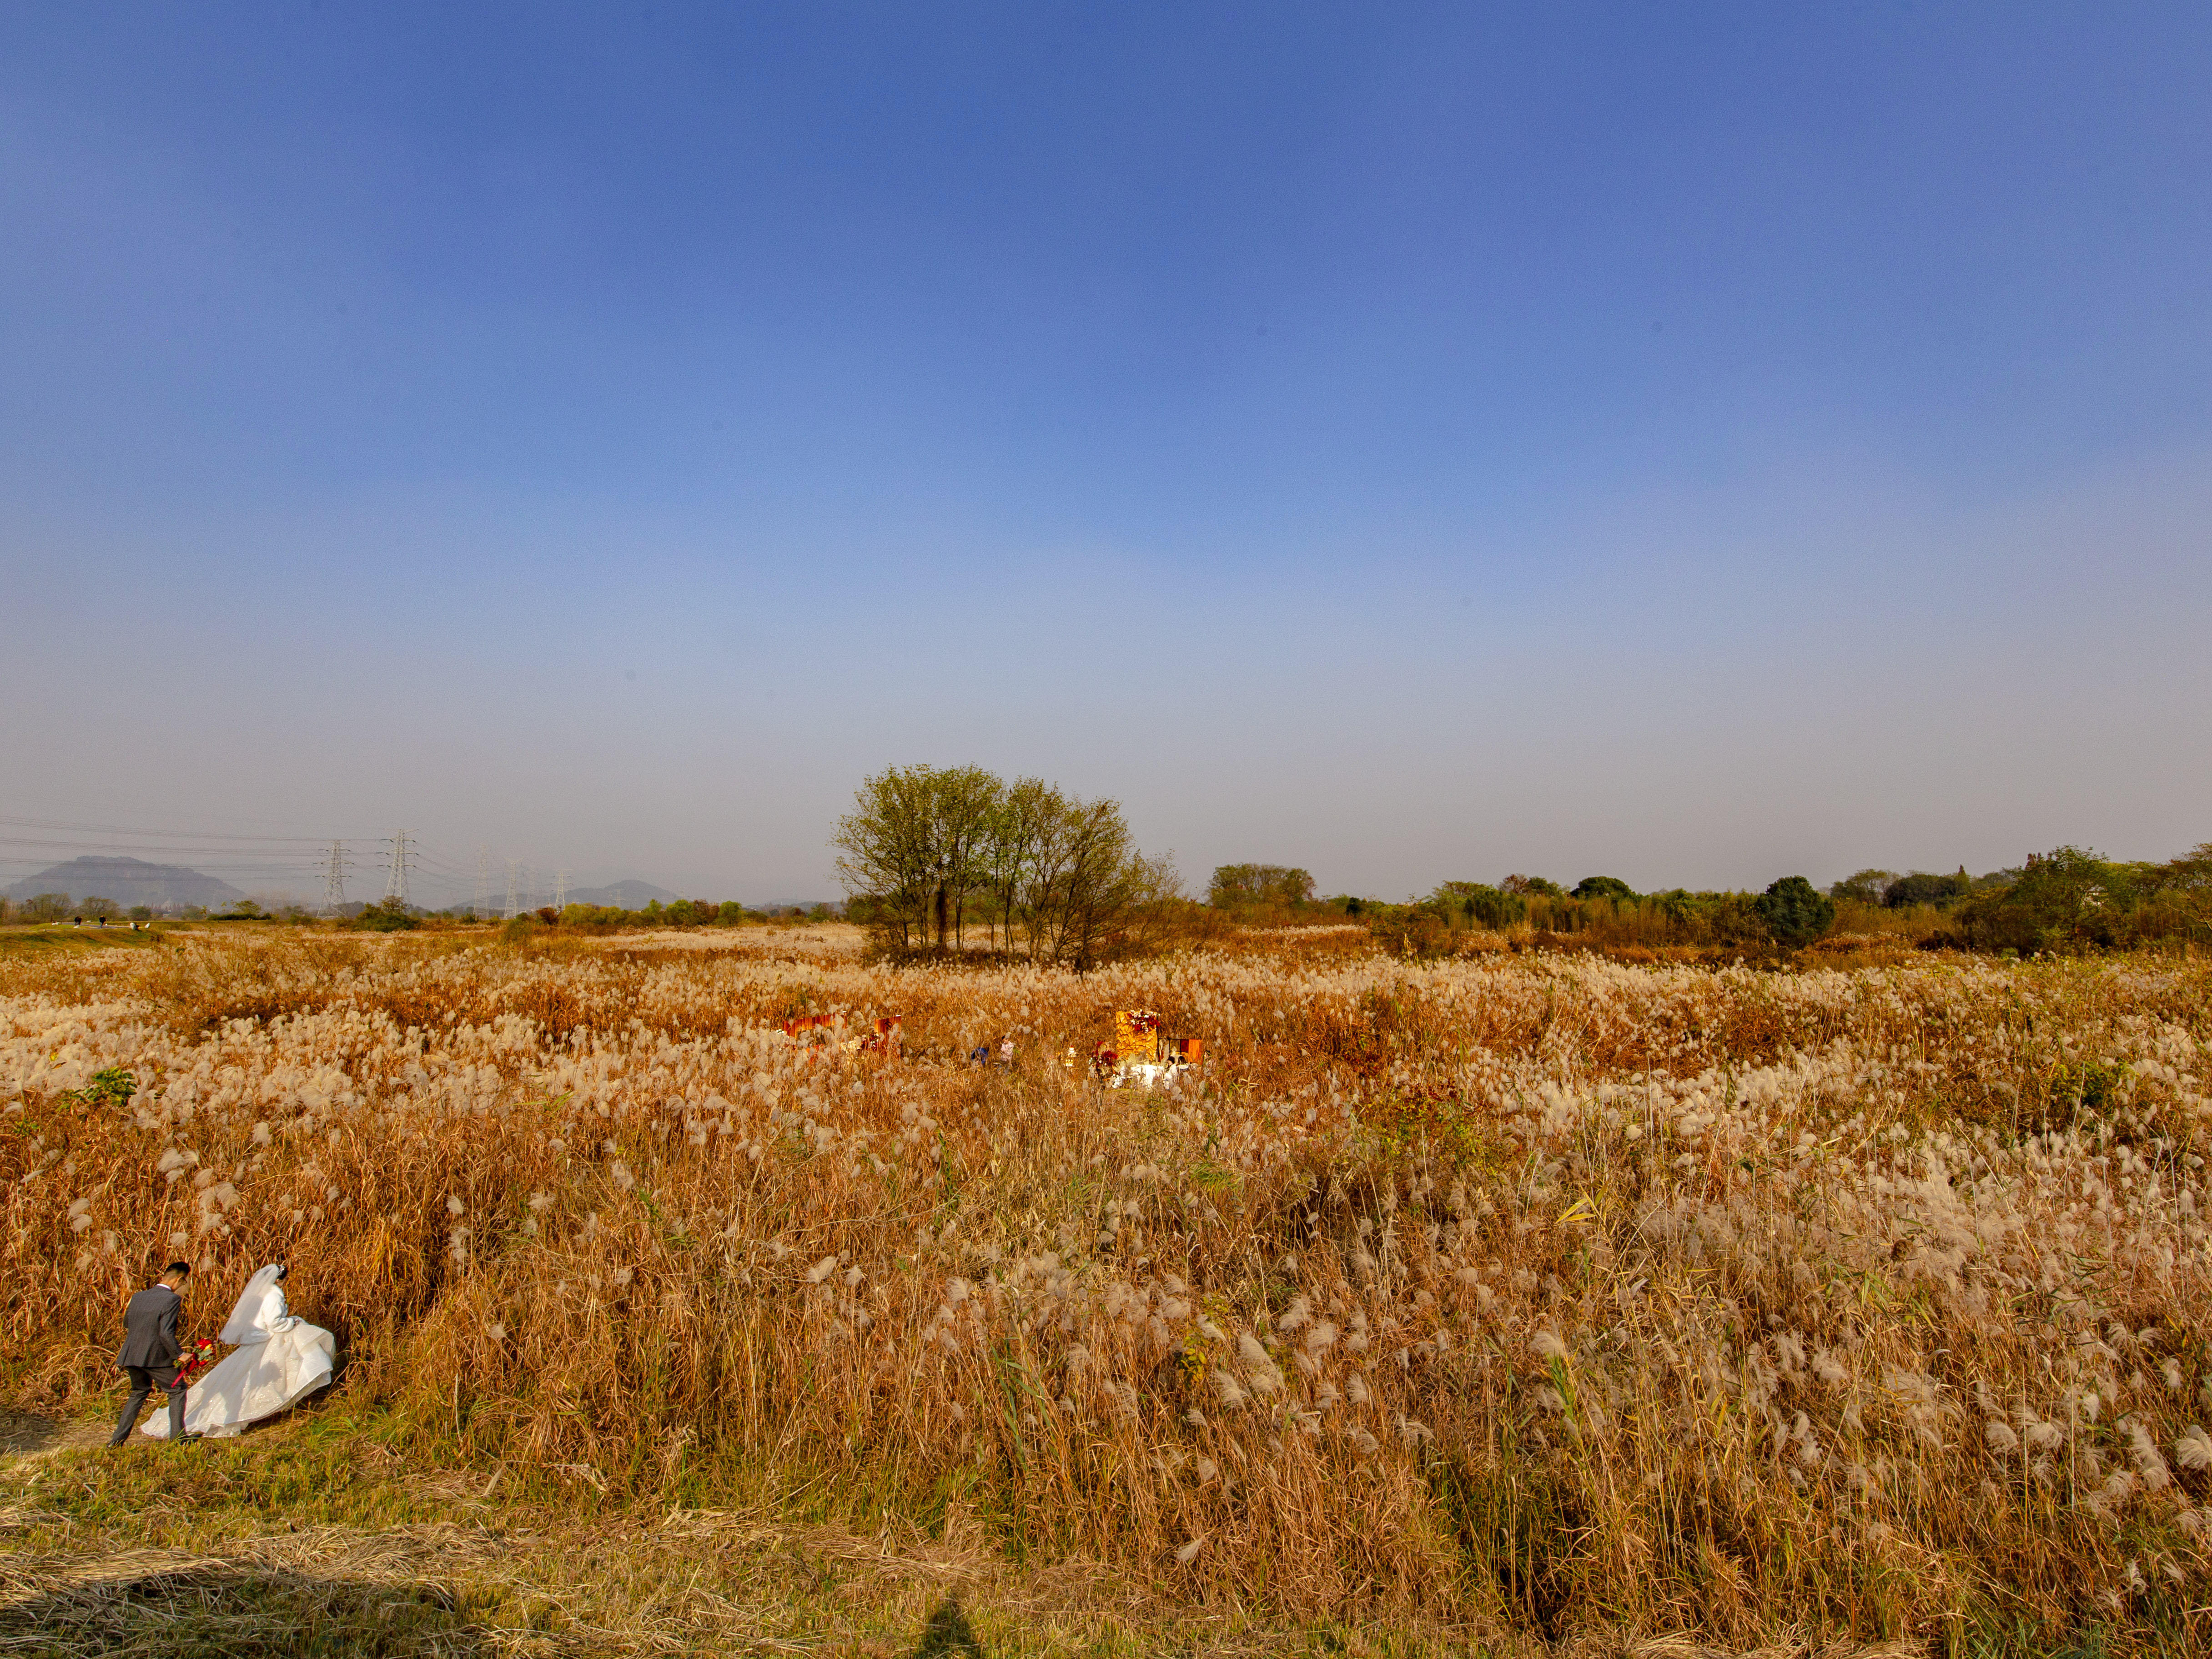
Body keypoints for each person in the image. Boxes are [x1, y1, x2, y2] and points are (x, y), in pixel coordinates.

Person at [141, 1262, 336, 1439]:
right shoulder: (275, 1293)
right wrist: (293, 1321)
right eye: (285, 1280)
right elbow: (274, 1324)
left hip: (253, 1343)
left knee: (236, 1381)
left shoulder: (260, 1293)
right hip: (267, 1342)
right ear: (280, 1279)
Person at [110, 1261, 194, 1446]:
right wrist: (180, 1354)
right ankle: (179, 1439)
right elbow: (166, 1333)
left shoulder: (139, 1296)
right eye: (184, 1283)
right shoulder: (172, 1300)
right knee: (177, 1390)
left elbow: (127, 1324)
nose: (182, 1287)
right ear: (179, 1279)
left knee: (138, 1392)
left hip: (131, 1355)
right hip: (155, 1358)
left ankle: (116, 1441)